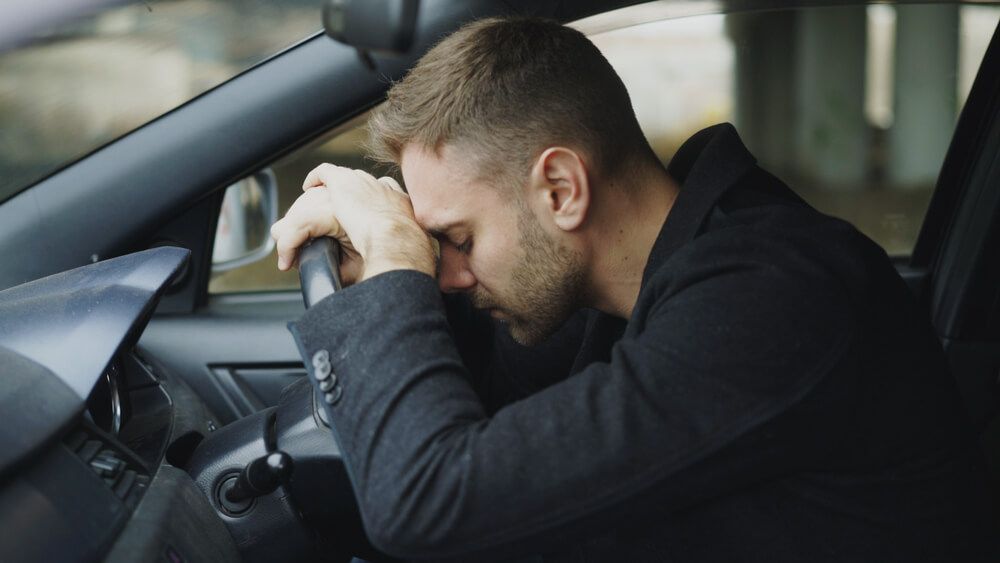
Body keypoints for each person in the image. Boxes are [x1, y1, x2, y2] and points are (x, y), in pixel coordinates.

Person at [269, 17, 996, 563]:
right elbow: (489, 406)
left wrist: (396, 266)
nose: (449, 275)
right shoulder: (613, 285)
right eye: (436, 248)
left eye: (457, 240)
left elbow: (429, 503)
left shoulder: (769, 299)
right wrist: (402, 266)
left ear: (560, 189)